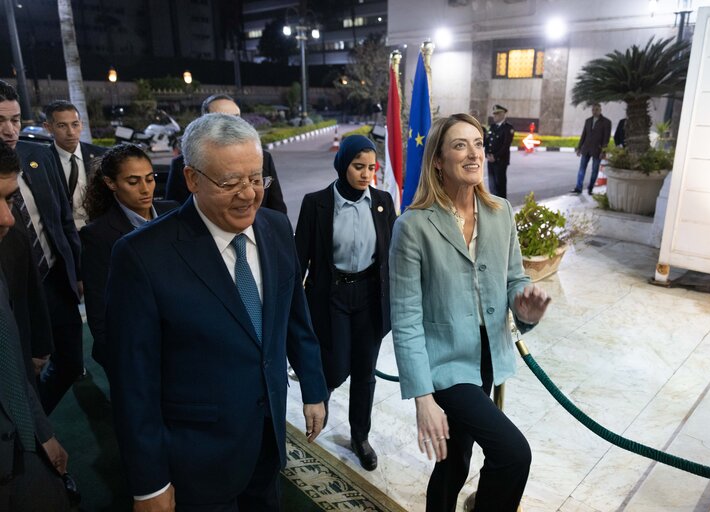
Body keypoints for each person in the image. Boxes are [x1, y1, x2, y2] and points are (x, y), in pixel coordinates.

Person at [105, 113, 327, 511]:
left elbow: (296, 319)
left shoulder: (276, 228)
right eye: (230, 183)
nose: (248, 195)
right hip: (196, 459)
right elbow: (133, 384)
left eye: (257, 179)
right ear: (192, 179)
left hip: (267, 438)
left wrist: (314, 388)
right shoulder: (142, 256)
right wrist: (150, 483)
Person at [389, 113, 550, 512]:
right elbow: (406, 319)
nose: (474, 153)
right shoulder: (413, 226)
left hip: (489, 356)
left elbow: (514, 279)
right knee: (513, 453)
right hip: (444, 364)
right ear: (438, 161)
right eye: (460, 145)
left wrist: (524, 305)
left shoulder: (500, 213)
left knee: (453, 461)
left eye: (478, 143)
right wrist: (422, 398)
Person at [294, 135, 396, 471]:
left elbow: (391, 256)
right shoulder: (316, 203)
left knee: (365, 372)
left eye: (371, 167)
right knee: (336, 366)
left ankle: (360, 436)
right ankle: (317, 409)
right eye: (358, 166)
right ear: (342, 165)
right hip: (332, 296)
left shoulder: (382, 202)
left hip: (369, 296)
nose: (366, 174)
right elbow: (300, 259)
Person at [0, 80, 83, 415]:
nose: (9, 130)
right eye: (0, 122)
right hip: (14, 292)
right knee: (24, 373)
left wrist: (75, 271)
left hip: (55, 281)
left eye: (15, 120)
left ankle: (37, 425)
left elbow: (63, 220)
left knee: (71, 364)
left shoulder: (38, 155)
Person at [0, 143, 69, 512]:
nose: (8, 219)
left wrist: (42, 432)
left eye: (9, 199)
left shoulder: (9, 244)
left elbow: (10, 367)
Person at [80, 144, 177, 369]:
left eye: (150, 178)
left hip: (180, 340)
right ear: (111, 183)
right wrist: (118, 362)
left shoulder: (174, 212)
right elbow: (100, 309)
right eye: (133, 182)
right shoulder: (98, 235)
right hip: (137, 346)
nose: (145, 189)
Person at [164, 94, 287, 214]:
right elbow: (175, 212)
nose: (248, 195)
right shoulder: (183, 164)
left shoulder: (263, 157)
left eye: (236, 118)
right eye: (231, 183)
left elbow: (277, 209)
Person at [0, 143, 54, 386]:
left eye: (9, 199)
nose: (7, 219)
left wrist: (35, 348)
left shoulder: (14, 232)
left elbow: (26, 295)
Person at [43, 100, 108, 229]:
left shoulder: (101, 155)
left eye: (75, 124)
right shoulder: (43, 160)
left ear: (81, 125)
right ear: (48, 127)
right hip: (64, 232)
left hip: (101, 228)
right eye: (62, 125)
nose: (71, 132)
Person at [571, 103, 611, 195]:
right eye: (593, 110)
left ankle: (590, 188)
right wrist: (579, 148)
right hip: (586, 149)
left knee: (595, 170)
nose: (594, 111)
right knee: (582, 169)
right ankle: (578, 187)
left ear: (600, 110)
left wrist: (603, 151)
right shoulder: (588, 121)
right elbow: (584, 135)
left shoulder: (606, 122)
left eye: (596, 110)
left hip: (597, 150)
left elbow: (606, 138)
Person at [483, 104, 514, 198]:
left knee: (500, 185)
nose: (494, 116)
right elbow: (487, 142)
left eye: (497, 114)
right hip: (490, 160)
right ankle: (494, 206)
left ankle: (502, 208)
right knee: (492, 186)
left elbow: (505, 145)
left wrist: (495, 157)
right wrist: (487, 154)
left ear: (502, 115)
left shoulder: (508, 128)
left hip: (500, 161)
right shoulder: (492, 127)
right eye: (494, 114)